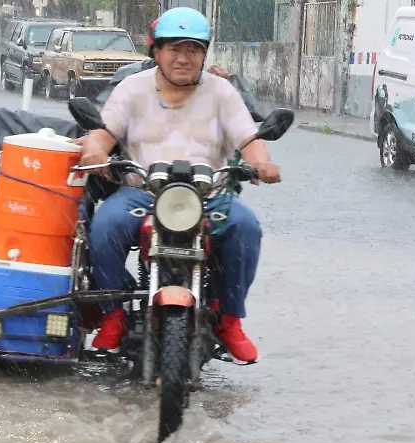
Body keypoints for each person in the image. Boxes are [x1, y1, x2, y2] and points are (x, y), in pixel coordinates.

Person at [75, 7, 282, 363]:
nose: (183, 58)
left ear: (204, 54)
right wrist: (94, 153)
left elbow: (248, 139)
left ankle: (229, 319)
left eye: (193, 50)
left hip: (207, 197)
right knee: (105, 226)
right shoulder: (132, 89)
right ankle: (113, 314)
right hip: (141, 193)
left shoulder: (222, 92)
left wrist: (262, 164)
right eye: (173, 49)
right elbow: (102, 134)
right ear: (156, 51)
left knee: (247, 227)